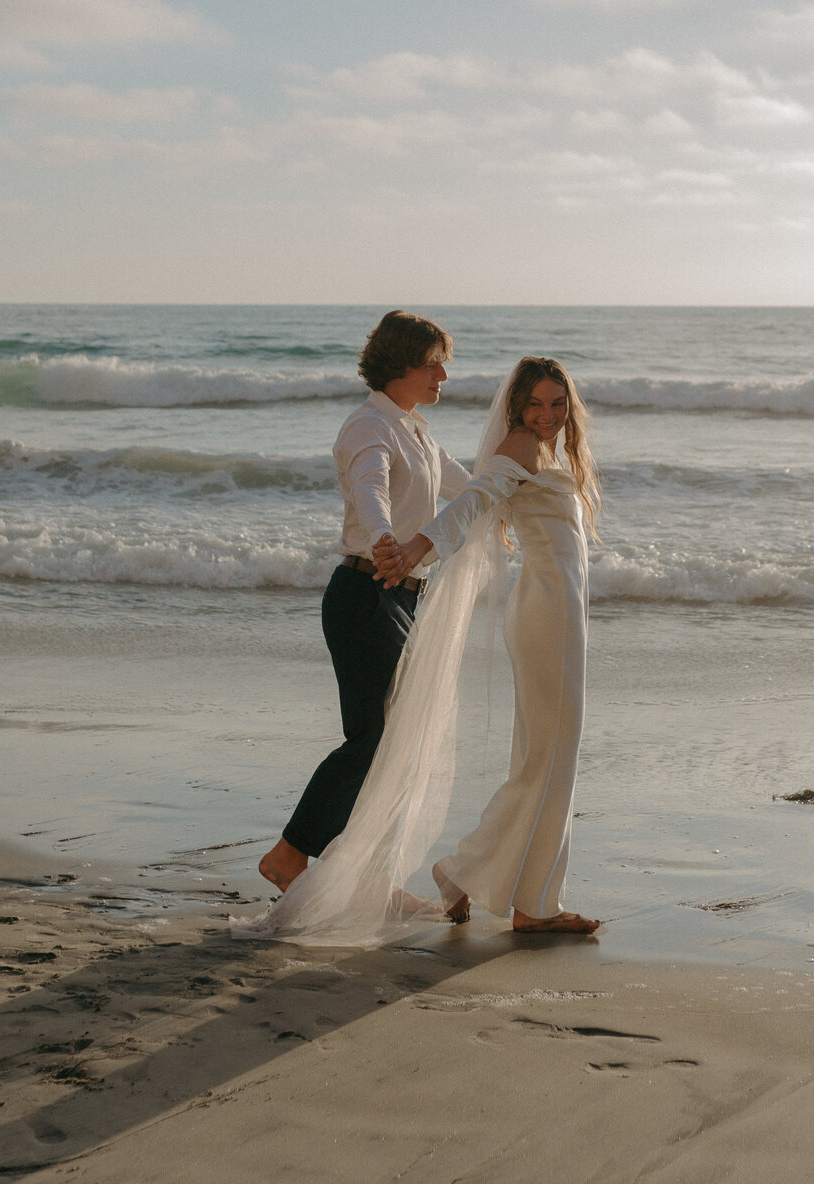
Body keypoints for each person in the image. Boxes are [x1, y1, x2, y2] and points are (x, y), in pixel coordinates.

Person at [233, 356, 600, 945]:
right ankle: (528, 902)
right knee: (549, 754)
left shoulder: (547, 453)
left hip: (560, 614)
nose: (547, 414)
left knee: (547, 752)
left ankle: (473, 880)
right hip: (548, 615)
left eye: (558, 403)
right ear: (516, 407)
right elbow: (473, 501)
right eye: (535, 403)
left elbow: (458, 487)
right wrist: (414, 549)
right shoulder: (523, 447)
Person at [255, 310, 470, 895]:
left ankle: (368, 875)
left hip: (399, 595)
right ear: (399, 364)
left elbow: (466, 487)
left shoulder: (415, 429)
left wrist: (531, 482)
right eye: (432, 363)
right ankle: (291, 855)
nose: (443, 374)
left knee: (391, 741)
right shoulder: (367, 426)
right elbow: (369, 486)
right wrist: (384, 541)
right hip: (365, 593)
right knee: (371, 739)